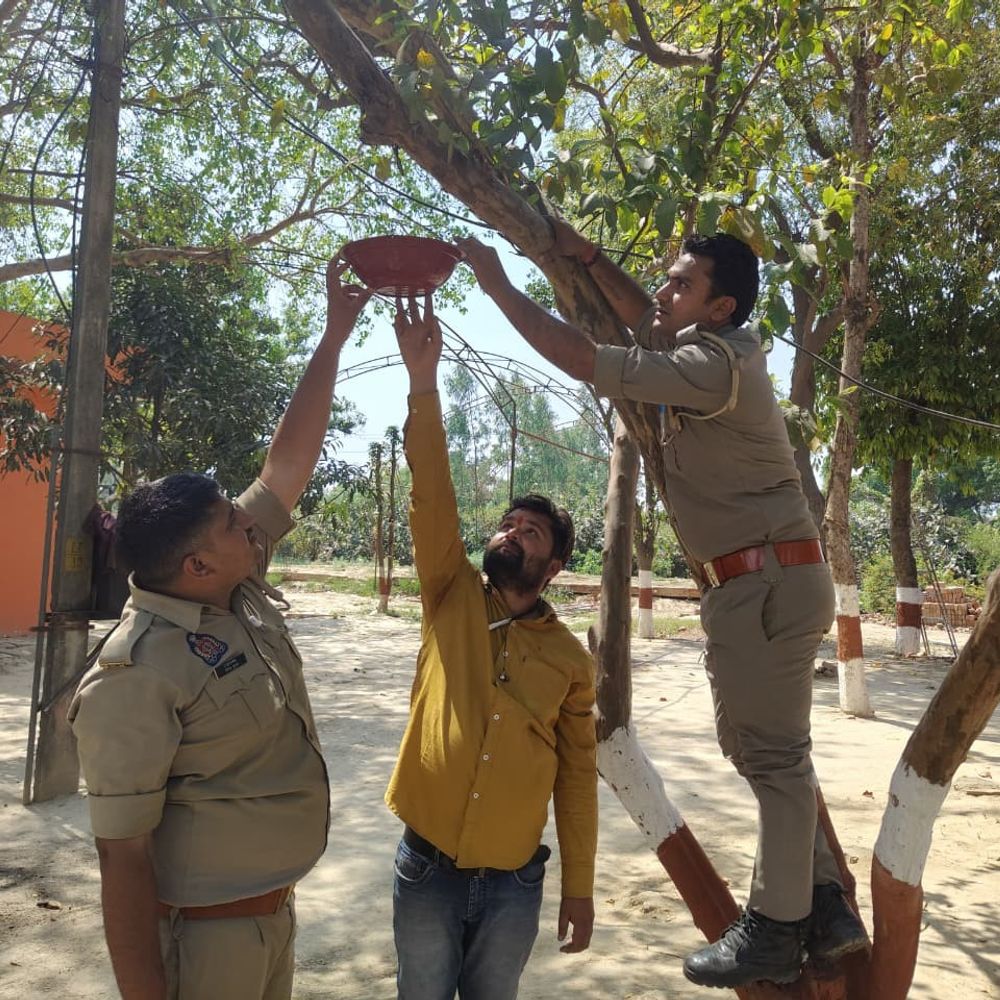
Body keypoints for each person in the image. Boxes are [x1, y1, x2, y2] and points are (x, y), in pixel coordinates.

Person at [457, 226, 868, 989]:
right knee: (769, 751)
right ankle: (823, 902)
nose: (664, 293)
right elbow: (649, 310)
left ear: (720, 308)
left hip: (763, 582)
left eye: (683, 285)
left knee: (772, 762)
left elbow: (587, 358)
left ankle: (777, 931)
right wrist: (587, 262)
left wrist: (495, 284)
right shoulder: (713, 349)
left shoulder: (711, 366)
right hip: (763, 581)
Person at [68, 258, 372, 1000]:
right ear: (198, 563)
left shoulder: (224, 585)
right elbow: (124, 859)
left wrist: (335, 335)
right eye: (237, 525)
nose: (254, 524)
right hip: (204, 946)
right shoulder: (135, 675)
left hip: (270, 922)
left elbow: (285, 468)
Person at [386, 293, 598, 1000]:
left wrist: (581, 888)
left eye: (530, 533)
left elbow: (575, 776)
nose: (511, 534)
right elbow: (432, 494)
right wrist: (422, 382)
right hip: (426, 868)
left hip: (514, 882)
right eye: (508, 525)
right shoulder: (449, 592)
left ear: (555, 567)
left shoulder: (570, 659)